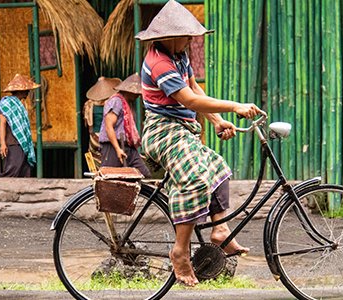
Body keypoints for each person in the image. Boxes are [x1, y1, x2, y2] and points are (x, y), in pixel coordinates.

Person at [135, 0, 262, 286]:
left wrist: (217, 121)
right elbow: (188, 100)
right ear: (168, 36)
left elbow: (194, 88)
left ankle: (219, 231)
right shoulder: (158, 61)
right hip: (162, 132)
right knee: (195, 179)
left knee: (217, 167)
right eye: (188, 35)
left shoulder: (180, 55)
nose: (192, 39)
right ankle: (180, 252)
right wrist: (235, 106)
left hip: (183, 129)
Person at [98, 73, 151, 178]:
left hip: (128, 147)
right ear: (128, 91)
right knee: (111, 179)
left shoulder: (129, 104)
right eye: (136, 93)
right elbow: (109, 126)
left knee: (145, 175)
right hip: (113, 146)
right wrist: (117, 149)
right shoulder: (116, 101)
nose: (137, 96)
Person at [0, 74, 39, 177]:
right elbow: (2, 123)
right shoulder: (6, 104)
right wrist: (3, 144)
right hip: (13, 143)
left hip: (22, 143)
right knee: (12, 169)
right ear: (20, 91)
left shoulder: (20, 105)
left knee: (24, 171)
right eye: (26, 90)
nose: (28, 92)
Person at [83, 76, 121, 167]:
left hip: (93, 137)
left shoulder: (89, 104)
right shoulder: (111, 103)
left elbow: (87, 123)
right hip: (106, 136)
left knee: (95, 160)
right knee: (109, 160)